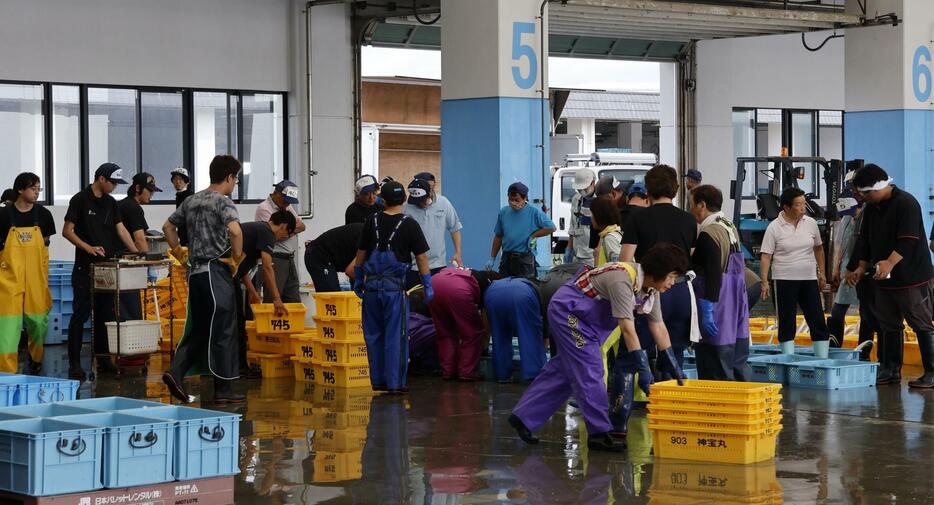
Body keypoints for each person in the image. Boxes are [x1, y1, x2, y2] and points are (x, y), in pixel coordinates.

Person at [508, 243, 688, 451]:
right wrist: (643, 369)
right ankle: (599, 433)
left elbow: (658, 326)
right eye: (672, 276)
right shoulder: (622, 280)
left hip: (589, 323)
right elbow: (628, 329)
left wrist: (672, 364)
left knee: (565, 371)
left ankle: (522, 418)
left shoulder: (649, 291)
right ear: (659, 271)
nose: (673, 283)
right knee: (591, 368)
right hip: (569, 314)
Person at [161, 154, 245, 405]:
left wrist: (177, 251)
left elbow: (167, 227)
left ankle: (175, 372)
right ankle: (224, 391)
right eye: (236, 179)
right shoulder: (223, 202)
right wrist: (236, 259)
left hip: (194, 273)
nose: (234, 184)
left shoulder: (191, 200)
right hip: (215, 272)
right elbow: (235, 231)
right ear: (229, 177)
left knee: (200, 329)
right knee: (224, 331)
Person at [845, 164, 934, 387]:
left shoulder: (906, 203)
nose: (863, 198)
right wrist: (861, 266)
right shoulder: (871, 208)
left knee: (921, 323)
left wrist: (889, 263)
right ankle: (890, 369)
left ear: (877, 188)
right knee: (888, 324)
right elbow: (865, 238)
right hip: (883, 278)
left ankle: (932, 371)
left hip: (911, 276)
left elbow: (908, 239)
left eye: (865, 193)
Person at [352, 181, 432, 394]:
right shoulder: (410, 224)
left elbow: (360, 254)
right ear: (404, 199)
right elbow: (422, 258)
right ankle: (395, 384)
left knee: (373, 335)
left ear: (382, 200)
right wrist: (428, 285)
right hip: (394, 291)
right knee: (395, 337)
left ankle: (377, 381)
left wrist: (359, 279)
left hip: (371, 289)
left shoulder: (372, 220)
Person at [62, 163, 139, 379]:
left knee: (106, 315)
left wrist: (136, 252)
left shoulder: (111, 203)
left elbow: (120, 228)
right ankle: (75, 364)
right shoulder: (80, 199)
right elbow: (67, 231)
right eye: (113, 182)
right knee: (81, 315)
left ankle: (104, 360)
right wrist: (88, 248)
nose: (115, 186)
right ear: (101, 179)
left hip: (106, 268)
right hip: (85, 268)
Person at [620, 165, 698, 364]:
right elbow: (691, 257)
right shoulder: (689, 219)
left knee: (640, 350)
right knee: (674, 353)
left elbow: (625, 261)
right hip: (681, 290)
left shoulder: (637, 217)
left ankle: (643, 393)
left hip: (650, 290)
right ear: (676, 188)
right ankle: (671, 392)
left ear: (648, 190)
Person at [760, 187, 830, 357]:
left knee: (817, 318)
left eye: (803, 204)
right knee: (786, 319)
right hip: (784, 279)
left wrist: (822, 273)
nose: (803, 208)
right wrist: (764, 282)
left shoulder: (810, 223)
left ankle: (822, 357)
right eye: (798, 205)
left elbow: (819, 249)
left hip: (808, 278)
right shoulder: (774, 227)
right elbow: (766, 256)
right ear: (786, 207)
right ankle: (788, 357)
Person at [689, 185, 750, 381]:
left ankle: (720, 407)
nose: (691, 210)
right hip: (737, 299)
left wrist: (707, 308)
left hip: (717, 301)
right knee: (737, 357)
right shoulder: (729, 226)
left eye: (692, 205)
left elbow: (713, 274)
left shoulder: (709, 233)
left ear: (702, 205)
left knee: (716, 360)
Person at [0, 173, 55, 374]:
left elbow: (45, 245)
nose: (36, 192)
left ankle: (36, 359)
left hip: (36, 279)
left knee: (38, 323)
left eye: (39, 188)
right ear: (20, 190)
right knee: (7, 327)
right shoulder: (3, 215)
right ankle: (6, 372)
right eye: (33, 188)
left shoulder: (44, 215)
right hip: (8, 280)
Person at [234, 211, 295, 376]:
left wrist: (253, 292)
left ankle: (230, 367)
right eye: (285, 234)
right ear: (283, 226)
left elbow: (241, 268)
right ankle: (239, 368)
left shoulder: (257, 229)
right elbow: (268, 267)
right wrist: (277, 299)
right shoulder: (267, 233)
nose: (282, 237)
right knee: (237, 323)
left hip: (226, 275)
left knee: (234, 321)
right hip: (224, 276)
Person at [429, 267, 497, 381]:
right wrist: (484, 342)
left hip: (433, 284)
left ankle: (448, 371)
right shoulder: (488, 285)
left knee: (445, 332)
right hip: (457, 289)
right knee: (473, 332)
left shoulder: (468, 271)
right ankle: (466, 371)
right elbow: (484, 317)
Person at [487, 182, 556, 279]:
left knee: (524, 288)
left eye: (517, 200)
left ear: (524, 199)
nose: (513, 202)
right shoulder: (504, 212)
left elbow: (551, 227)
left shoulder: (534, 212)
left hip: (524, 259)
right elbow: (498, 236)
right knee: (503, 287)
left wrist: (534, 235)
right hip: (506, 258)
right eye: (511, 200)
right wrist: (492, 258)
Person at [485, 274, 545, 383]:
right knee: (529, 334)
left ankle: (503, 375)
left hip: (492, 294)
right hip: (521, 295)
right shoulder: (534, 288)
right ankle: (533, 374)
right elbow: (539, 324)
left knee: (499, 336)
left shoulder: (511, 281)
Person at [255, 180, 305, 304]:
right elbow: (272, 235)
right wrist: (292, 229)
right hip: (274, 258)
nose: (287, 204)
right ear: (276, 193)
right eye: (285, 200)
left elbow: (302, 226)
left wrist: (285, 231)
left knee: (293, 300)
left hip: (289, 257)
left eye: (289, 202)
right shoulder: (264, 208)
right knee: (273, 301)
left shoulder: (287, 206)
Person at [403, 176, 463, 272]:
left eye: (421, 200)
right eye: (416, 201)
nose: (419, 204)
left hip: (438, 264)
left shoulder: (443, 202)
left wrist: (458, 252)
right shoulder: (406, 208)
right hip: (414, 266)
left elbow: (454, 227)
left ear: (430, 193)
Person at [304, 223, 363, 293]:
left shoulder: (372, 234)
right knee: (331, 297)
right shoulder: (372, 241)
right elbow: (351, 271)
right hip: (320, 254)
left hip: (328, 254)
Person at [119, 172, 162, 254]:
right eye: (149, 190)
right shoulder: (134, 208)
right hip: (122, 257)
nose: (152, 194)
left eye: (153, 191)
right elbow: (140, 241)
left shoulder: (122, 204)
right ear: (138, 188)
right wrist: (148, 262)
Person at [567, 170, 596, 267]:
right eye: (579, 190)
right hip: (576, 254)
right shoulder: (576, 199)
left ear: (593, 183)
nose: (582, 192)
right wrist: (569, 248)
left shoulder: (601, 200)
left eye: (585, 189)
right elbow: (573, 226)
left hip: (592, 256)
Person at [590, 196, 622, 267]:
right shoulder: (609, 234)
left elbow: (618, 268)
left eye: (592, 214)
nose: (591, 218)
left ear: (599, 215)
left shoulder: (610, 239)